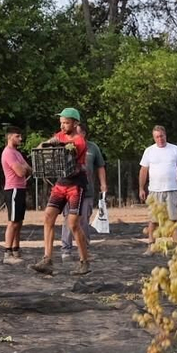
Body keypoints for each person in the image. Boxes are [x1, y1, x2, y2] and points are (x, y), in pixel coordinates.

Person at [31, 107, 92, 276]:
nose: (62, 126)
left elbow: (69, 152)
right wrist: (45, 145)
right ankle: (47, 259)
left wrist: (56, 145)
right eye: (61, 123)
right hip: (61, 184)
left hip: (75, 185)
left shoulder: (79, 141)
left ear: (75, 123)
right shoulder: (59, 135)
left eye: (66, 123)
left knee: (73, 224)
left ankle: (84, 261)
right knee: (48, 216)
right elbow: (44, 146)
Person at [62, 122, 108, 256]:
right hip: (69, 189)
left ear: (83, 133)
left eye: (77, 132)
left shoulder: (93, 148)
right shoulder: (66, 146)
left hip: (86, 189)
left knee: (83, 220)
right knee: (68, 219)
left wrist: (103, 184)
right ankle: (66, 249)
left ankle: (84, 250)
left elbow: (100, 166)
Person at [141, 125, 177, 241]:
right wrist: (141, 188)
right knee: (154, 219)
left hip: (171, 189)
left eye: (162, 136)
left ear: (165, 135)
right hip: (155, 190)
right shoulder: (149, 151)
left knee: (173, 219)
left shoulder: (174, 149)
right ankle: (151, 243)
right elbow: (143, 170)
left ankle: (176, 244)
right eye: (157, 137)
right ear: (154, 138)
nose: (160, 139)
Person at [1, 127, 30, 263]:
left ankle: (16, 249)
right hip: (13, 189)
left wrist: (24, 167)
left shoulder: (17, 153)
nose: (20, 139)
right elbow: (21, 172)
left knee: (19, 222)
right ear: (10, 137)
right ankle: (7, 253)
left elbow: (29, 169)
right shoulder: (8, 153)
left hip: (21, 188)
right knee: (13, 222)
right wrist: (23, 167)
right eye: (17, 136)